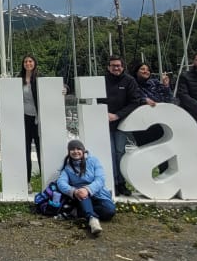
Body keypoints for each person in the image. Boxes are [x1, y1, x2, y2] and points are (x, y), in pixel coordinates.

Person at [56, 138, 116, 237]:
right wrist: (74, 191)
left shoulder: (93, 161)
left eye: (78, 149)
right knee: (82, 193)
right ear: (69, 152)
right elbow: (61, 182)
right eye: (72, 149)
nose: (75, 151)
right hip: (81, 196)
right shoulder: (67, 167)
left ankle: (77, 212)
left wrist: (88, 189)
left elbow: (100, 179)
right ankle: (92, 220)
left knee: (109, 211)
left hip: (98, 193)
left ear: (83, 150)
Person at [103, 55, 144, 195]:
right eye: (113, 65)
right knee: (110, 153)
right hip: (104, 123)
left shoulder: (129, 81)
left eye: (118, 65)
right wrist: (105, 113)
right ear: (108, 67)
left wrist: (117, 115)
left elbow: (134, 101)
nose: (116, 68)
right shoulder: (102, 80)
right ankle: (112, 182)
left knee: (120, 153)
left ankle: (121, 183)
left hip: (121, 123)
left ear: (123, 67)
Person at [19, 54, 44, 181]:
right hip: (24, 118)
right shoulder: (19, 79)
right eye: (25, 61)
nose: (28, 63)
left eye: (30, 61)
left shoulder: (40, 78)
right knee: (25, 149)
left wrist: (64, 88)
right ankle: (26, 181)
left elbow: (55, 86)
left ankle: (44, 179)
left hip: (38, 119)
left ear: (34, 63)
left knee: (41, 149)